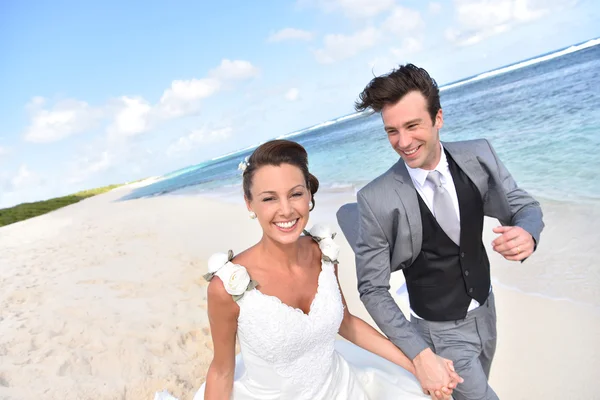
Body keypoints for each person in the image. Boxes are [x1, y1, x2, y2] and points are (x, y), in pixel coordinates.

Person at [336, 64, 544, 400]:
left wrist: (527, 233)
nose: (403, 142)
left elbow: (523, 205)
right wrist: (420, 355)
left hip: (487, 311)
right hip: (439, 331)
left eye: (412, 126)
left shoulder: (479, 155)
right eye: (392, 131)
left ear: (438, 119)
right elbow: (372, 289)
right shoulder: (376, 198)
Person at [193, 140, 455, 400]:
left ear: (309, 194)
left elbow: (347, 323)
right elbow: (221, 371)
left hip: (343, 388)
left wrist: (416, 366)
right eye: (269, 198)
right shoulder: (227, 287)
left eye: (295, 194)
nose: (285, 210)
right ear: (250, 204)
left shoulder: (324, 253)